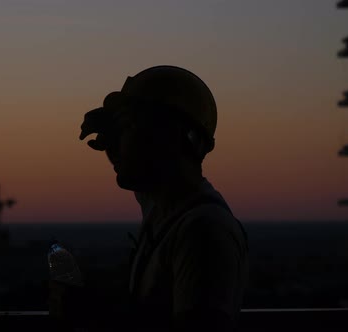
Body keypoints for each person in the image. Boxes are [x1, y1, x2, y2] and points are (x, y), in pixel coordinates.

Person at [50, 65, 249, 331]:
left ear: (170, 137)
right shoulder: (168, 213)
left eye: (128, 128)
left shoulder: (203, 231)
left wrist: (95, 317)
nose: (116, 144)